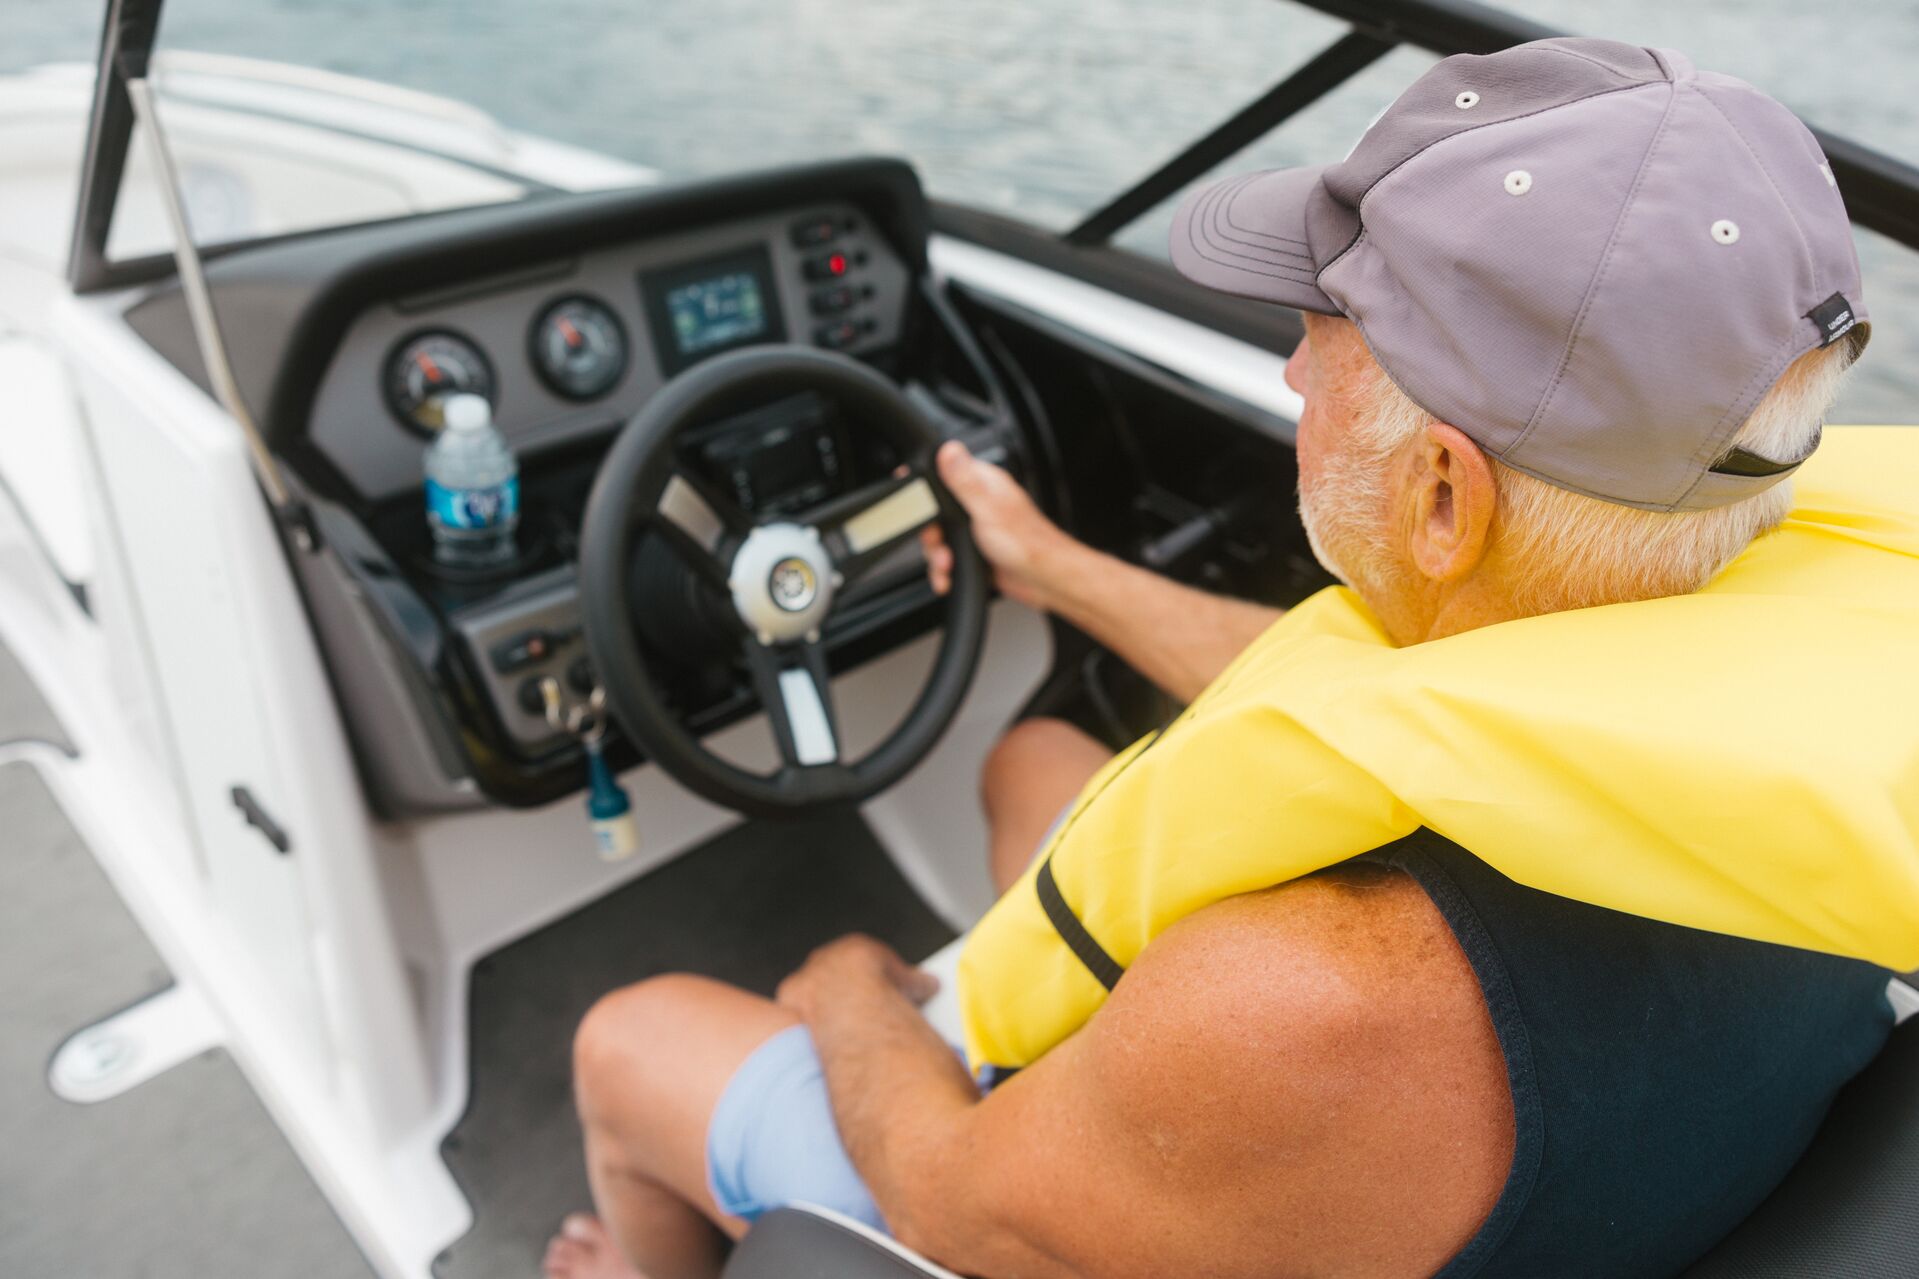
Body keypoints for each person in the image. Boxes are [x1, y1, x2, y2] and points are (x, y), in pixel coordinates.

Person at [546, 37, 1898, 1279]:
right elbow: (1393, 721)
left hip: (1074, 1187)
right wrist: (1053, 569)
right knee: (1031, 763)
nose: (1297, 375)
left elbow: (952, 1199)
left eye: (1326, 337)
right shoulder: (1793, 698)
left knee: (631, 1039)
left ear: (1443, 497)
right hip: (1618, 1168)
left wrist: (845, 991)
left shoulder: (1310, 1002)